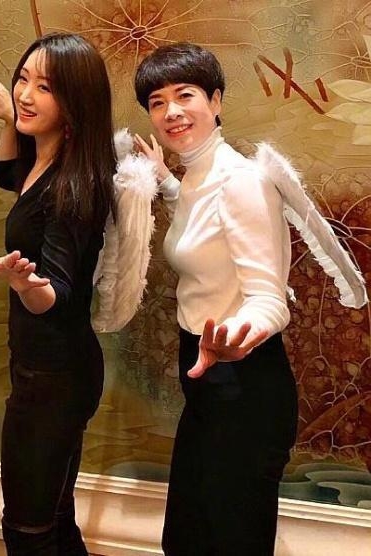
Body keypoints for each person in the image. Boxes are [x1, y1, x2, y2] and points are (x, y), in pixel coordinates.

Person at [133, 42, 367, 556]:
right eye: (156, 101)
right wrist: (165, 180)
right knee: (188, 539)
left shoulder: (241, 182)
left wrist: (241, 338)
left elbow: (269, 299)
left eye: (185, 95)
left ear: (215, 100)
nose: (171, 111)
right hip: (207, 383)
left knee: (229, 543)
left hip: (244, 383)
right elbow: (200, 219)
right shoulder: (197, 176)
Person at [0, 33, 116, 555]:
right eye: (22, 80)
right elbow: (7, 175)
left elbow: (58, 291)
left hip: (56, 379)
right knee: (53, 521)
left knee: (27, 531)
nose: (25, 94)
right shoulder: (45, 159)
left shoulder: (76, 184)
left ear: (76, 100)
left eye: (45, 87)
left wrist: (26, 285)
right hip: (49, 369)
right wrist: (9, 120)